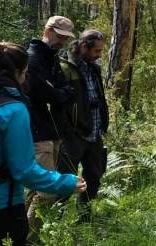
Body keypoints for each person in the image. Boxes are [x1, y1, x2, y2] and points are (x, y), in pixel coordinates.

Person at [0, 41, 86, 245]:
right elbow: (24, 171)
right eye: (25, 72)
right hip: (0, 208)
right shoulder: (13, 110)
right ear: (18, 72)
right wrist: (65, 182)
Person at [24, 16, 76, 230]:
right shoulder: (32, 59)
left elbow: (66, 90)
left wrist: (59, 93)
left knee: (35, 189)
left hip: (53, 132)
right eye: (59, 36)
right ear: (48, 31)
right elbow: (48, 94)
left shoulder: (52, 58)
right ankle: (28, 239)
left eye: (65, 38)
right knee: (47, 192)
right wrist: (59, 93)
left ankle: (18, 235)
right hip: (38, 133)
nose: (62, 42)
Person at [58, 30, 109, 208]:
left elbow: (99, 98)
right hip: (74, 136)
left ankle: (85, 216)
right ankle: (55, 219)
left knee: (94, 178)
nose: (99, 55)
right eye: (97, 51)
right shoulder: (65, 68)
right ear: (84, 46)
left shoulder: (94, 68)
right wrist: (68, 131)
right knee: (65, 181)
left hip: (94, 134)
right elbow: (60, 105)